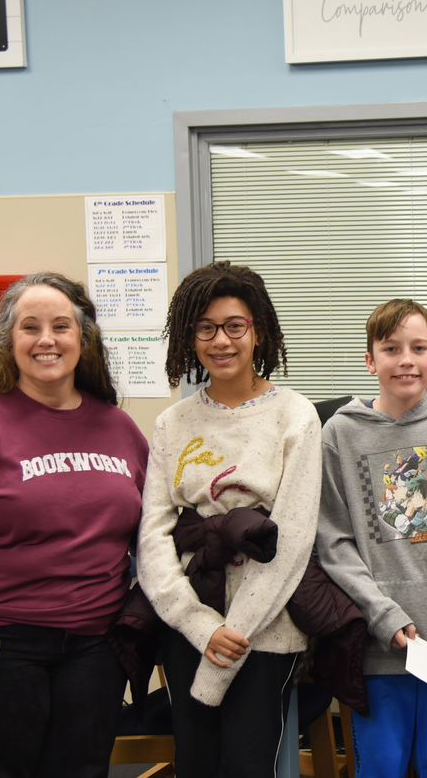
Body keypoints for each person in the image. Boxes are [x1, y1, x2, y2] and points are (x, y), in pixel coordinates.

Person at [0, 272, 149, 778]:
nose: (46, 340)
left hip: (95, 644)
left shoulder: (118, 427)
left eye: (61, 326)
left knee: (82, 769)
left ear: (83, 339)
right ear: (7, 342)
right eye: (29, 327)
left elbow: (150, 532)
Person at [136, 261, 322, 778]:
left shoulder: (294, 415)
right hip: (189, 619)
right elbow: (153, 535)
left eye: (235, 326)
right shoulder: (172, 423)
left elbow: (293, 538)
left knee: (248, 763)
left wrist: (232, 632)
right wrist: (199, 625)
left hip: (264, 627)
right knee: (194, 762)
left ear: (257, 330)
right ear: (190, 337)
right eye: (206, 328)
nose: (222, 340)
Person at [316, 299, 427, 778]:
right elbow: (333, 543)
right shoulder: (340, 433)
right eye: (391, 348)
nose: (406, 360)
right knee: (381, 766)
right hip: (378, 637)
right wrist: (382, 614)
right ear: (369, 360)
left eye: (419, 348)